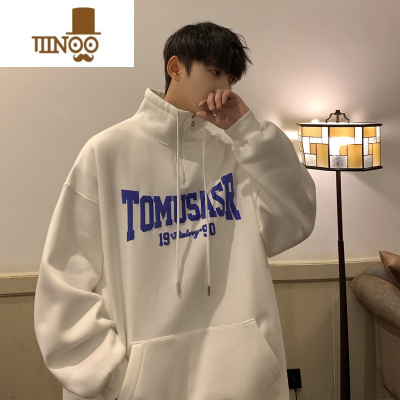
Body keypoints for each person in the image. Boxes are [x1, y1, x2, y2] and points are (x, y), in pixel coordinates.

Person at [34, 21, 316, 400]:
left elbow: (296, 217)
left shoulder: (235, 155)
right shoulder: (106, 154)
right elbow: (64, 285)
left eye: (231, 79)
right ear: (175, 68)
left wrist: (247, 132)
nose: (224, 88)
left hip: (243, 384)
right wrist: (118, 381)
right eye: (214, 72)